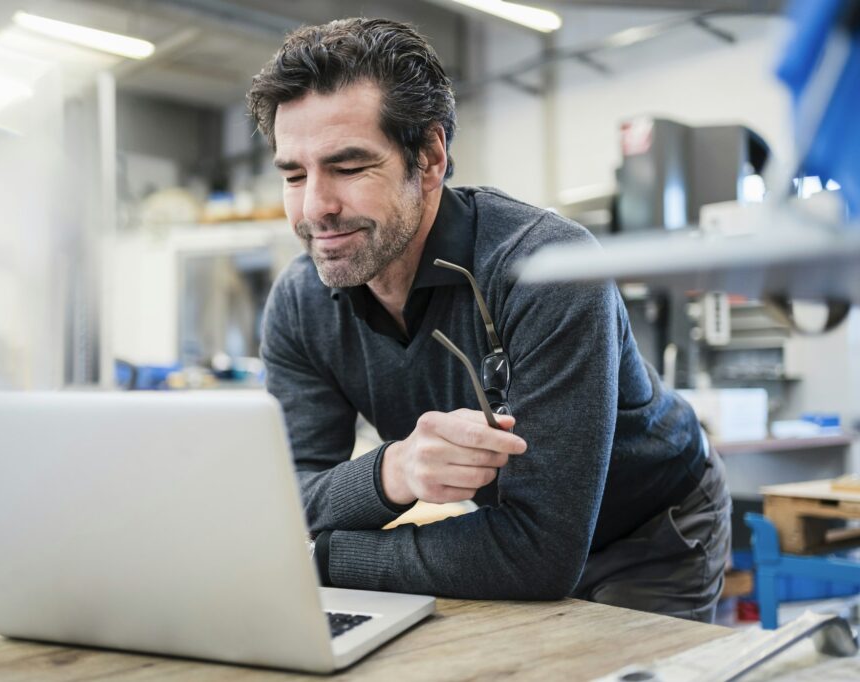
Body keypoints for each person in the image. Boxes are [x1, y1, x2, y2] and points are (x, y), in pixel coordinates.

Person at [249, 17, 731, 622]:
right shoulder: (301, 301)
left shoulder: (548, 268)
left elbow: (538, 554)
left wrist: (324, 558)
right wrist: (391, 470)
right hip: (502, 530)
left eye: (348, 167)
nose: (315, 206)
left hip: (649, 530)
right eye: (294, 174)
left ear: (428, 158)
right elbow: (289, 495)